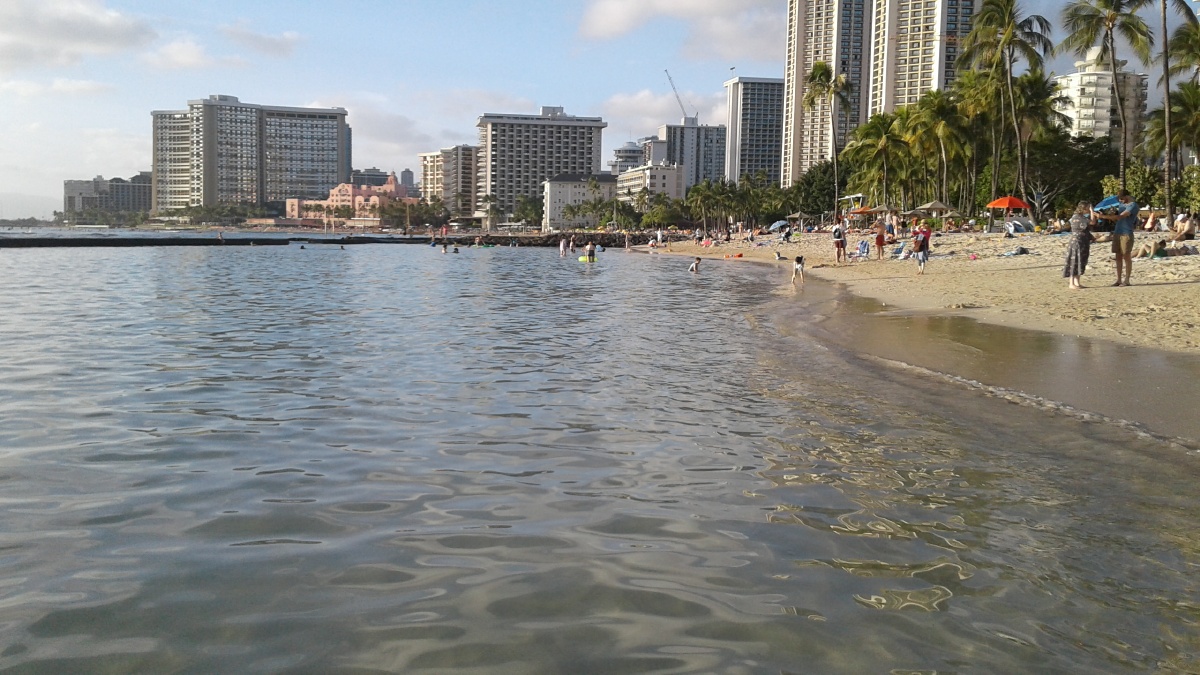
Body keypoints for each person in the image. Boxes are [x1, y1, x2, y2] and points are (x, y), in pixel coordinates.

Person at [1095, 188, 1138, 286]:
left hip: (1126, 233)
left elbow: (1121, 217)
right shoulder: (1122, 205)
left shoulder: (1133, 205)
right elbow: (1117, 218)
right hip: (1118, 231)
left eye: (1122, 199)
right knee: (1118, 256)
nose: (1121, 201)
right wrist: (1110, 214)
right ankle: (1118, 279)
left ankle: (1126, 279)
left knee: (1126, 256)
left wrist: (1102, 217)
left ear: (1127, 197)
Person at [1063, 201, 1095, 289]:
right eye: (1088, 208)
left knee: (1080, 261)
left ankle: (1077, 282)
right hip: (1078, 241)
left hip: (1081, 241)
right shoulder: (1078, 218)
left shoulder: (1079, 217)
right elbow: (1092, 222)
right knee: (1075, 261)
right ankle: (1071, 283)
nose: (1089, 210)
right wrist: (1092, 212)